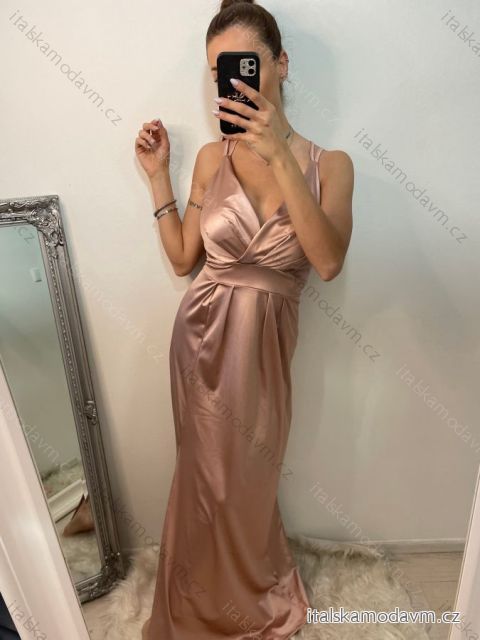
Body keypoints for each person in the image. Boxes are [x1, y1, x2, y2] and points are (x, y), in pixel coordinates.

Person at [135, 0, 353, 637]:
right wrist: (158, 178)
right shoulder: (211, 158)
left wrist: (278, 152)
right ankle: (200, 601)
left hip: (264, 354)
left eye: (243, 66)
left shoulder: (331, 166)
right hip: (199, 341)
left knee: (248, 482)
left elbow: (328, 261)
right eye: (217, 74)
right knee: (203, 480)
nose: (228, 85)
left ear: (280, 65)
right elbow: (185, 259)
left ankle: (250, 594)